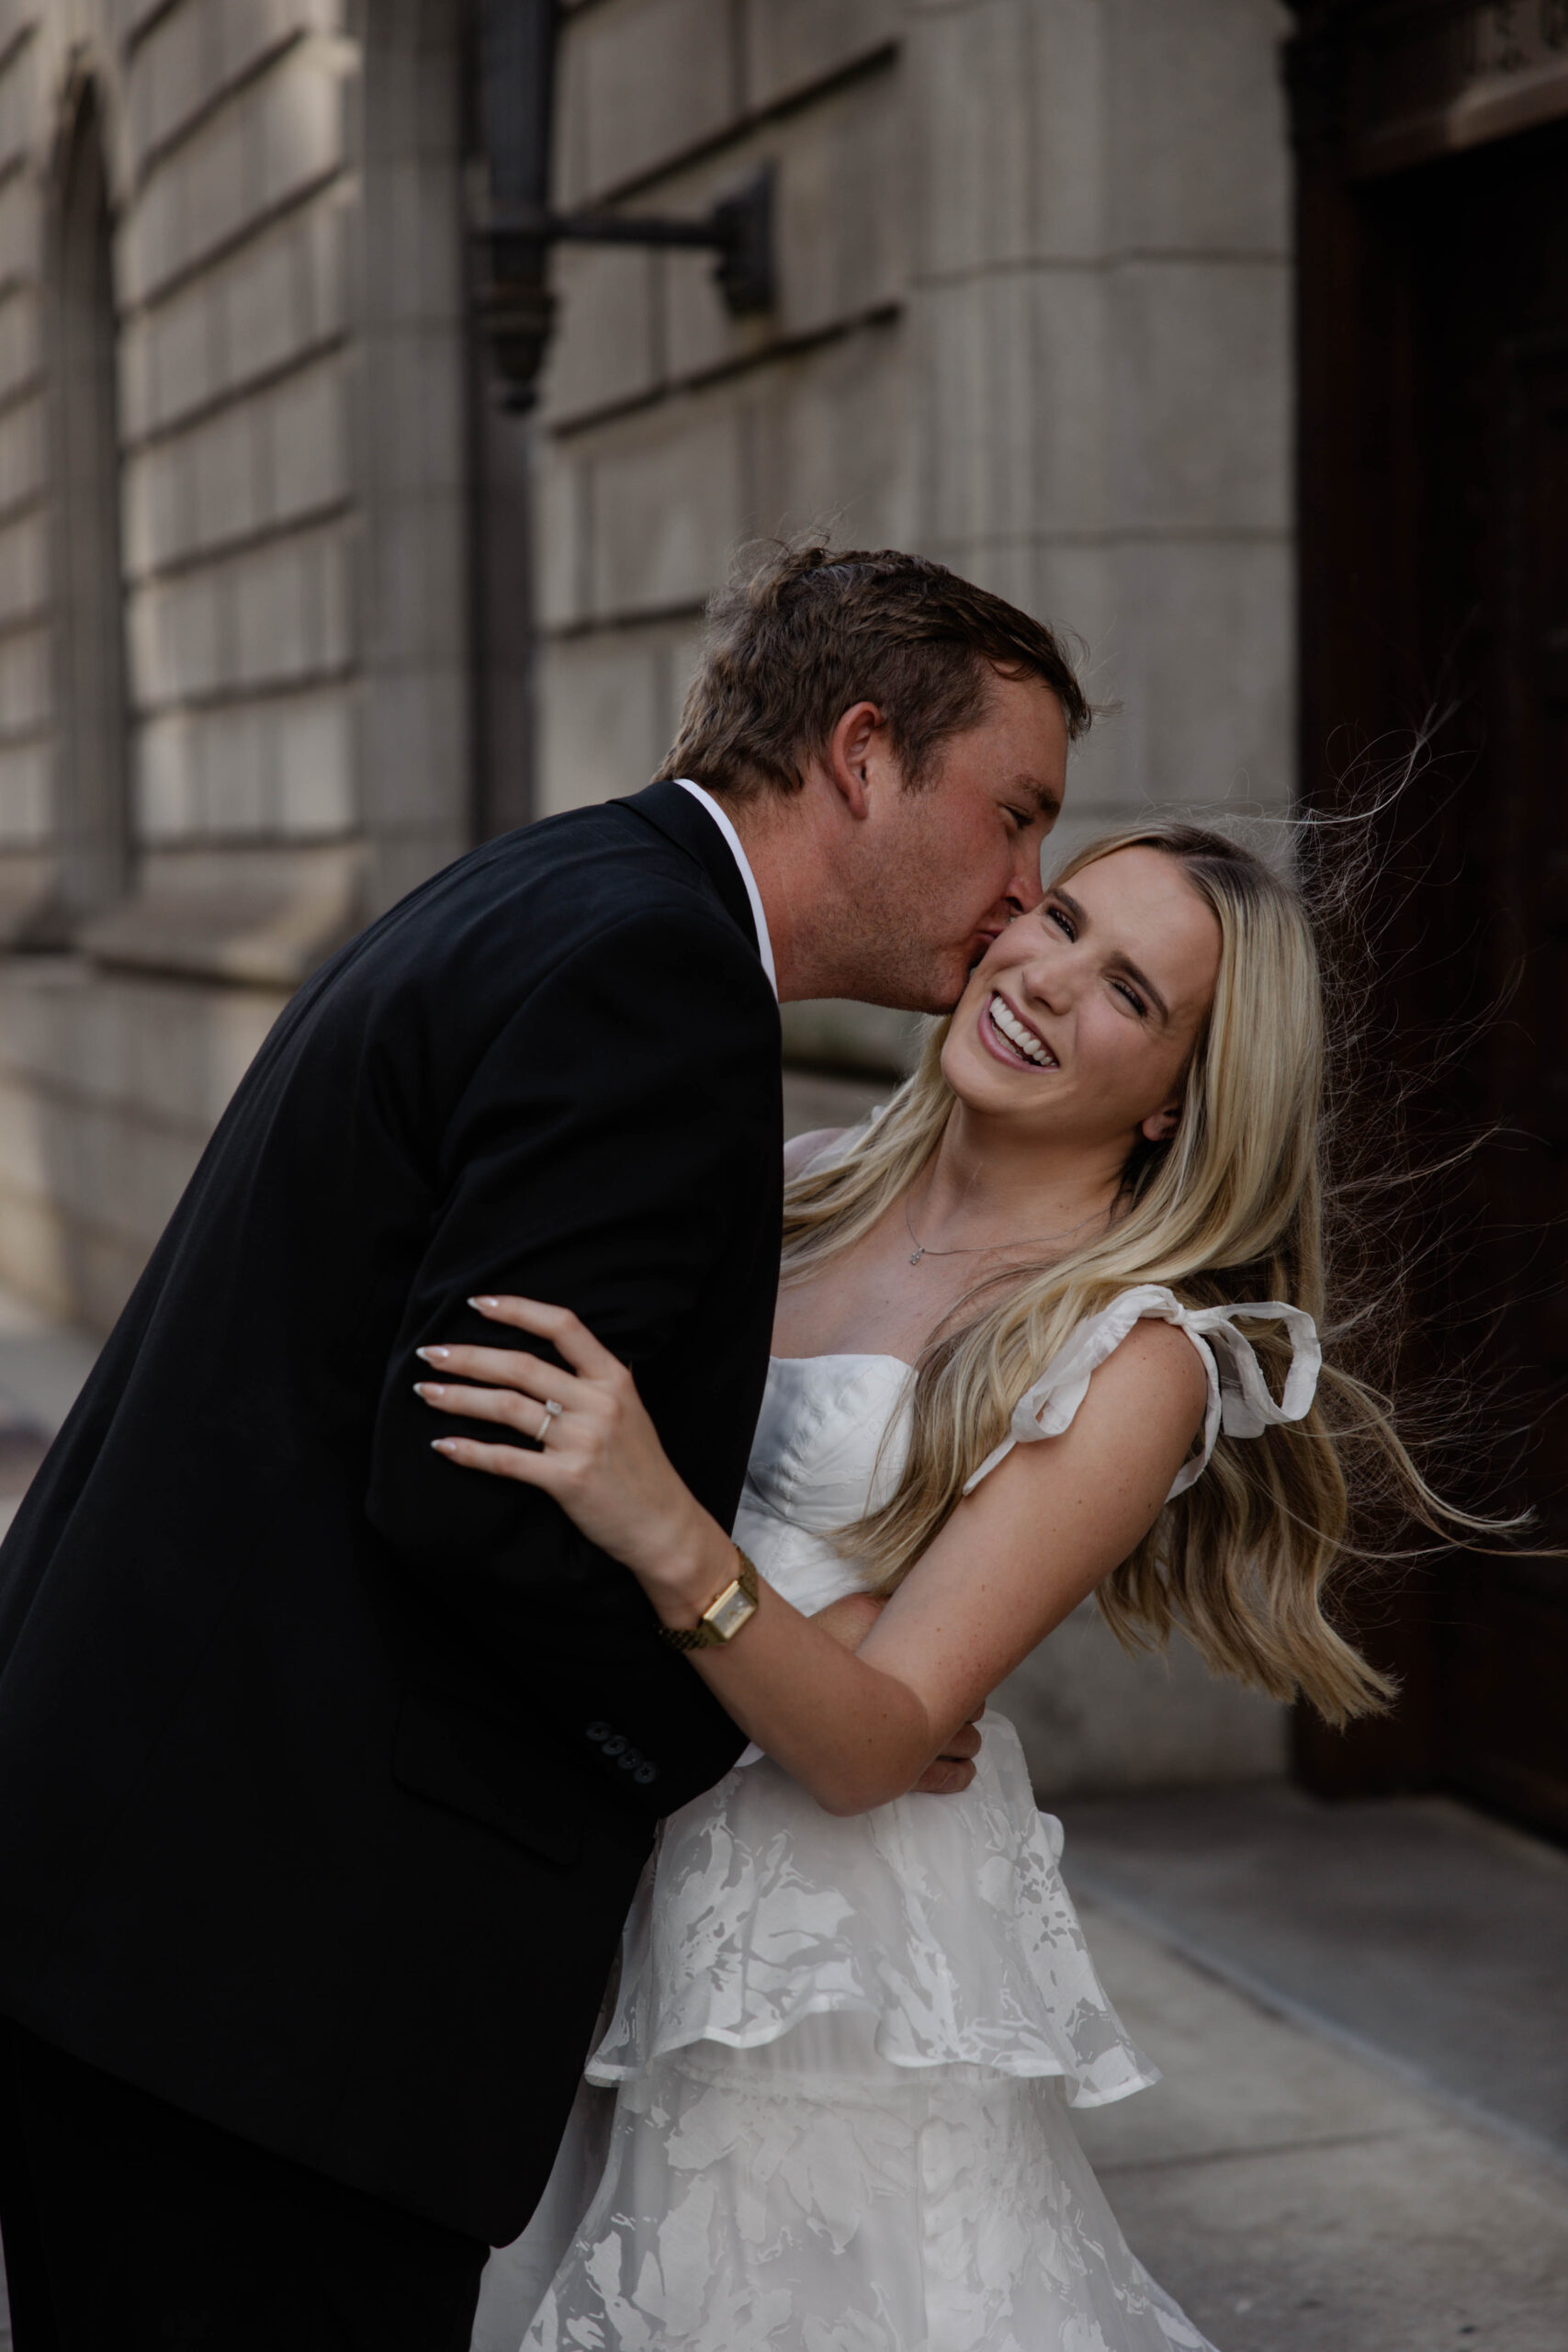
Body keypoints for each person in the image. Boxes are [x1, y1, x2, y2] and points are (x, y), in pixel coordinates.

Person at [0, 547, 1089, 2352]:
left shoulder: (578, 891)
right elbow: (478, 1494)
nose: (1020, 890)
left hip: (146, 1894)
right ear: (862, 750)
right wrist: (739, 1728)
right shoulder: (654, 978)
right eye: (1013, 816)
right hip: (256, 1966)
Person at [426, 821, 1486, 2352]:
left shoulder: (1130, 1358)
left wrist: (671, 1527)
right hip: (614, 1860)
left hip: (824, 1954)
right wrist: (809, 1625)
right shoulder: (799, 1183)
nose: (1044, 978)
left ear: (1183, 1097)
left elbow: (869, 1748)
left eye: (1128, 992)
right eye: (1057, 917)